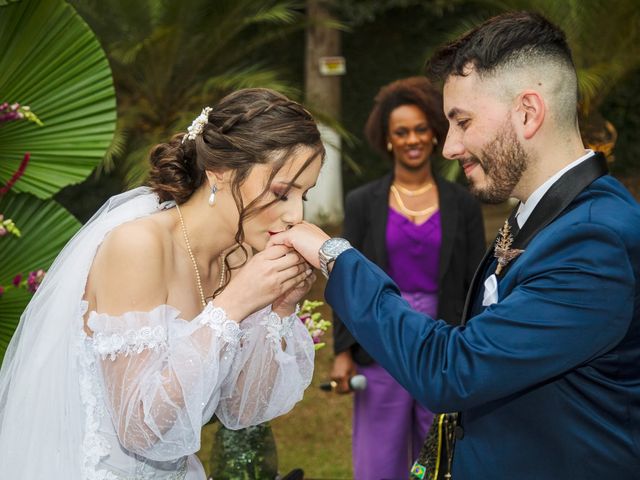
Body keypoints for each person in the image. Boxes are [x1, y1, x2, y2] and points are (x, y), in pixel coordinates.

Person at [270, 11, 640, 480]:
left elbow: (453, 369)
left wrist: (334, 256)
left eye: (461, 122)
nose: (449, 147)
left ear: (528, 112)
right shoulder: (550, 216)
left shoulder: (594, 241)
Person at [0, 88, 324, 479]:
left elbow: (241, 411)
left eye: (304, 195)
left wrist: (281, 309)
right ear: (219, 172)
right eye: (282, 192)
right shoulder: (138, 246)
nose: (296, 214)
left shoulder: (239, 259)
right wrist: (233, 305)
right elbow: (138, 429)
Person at [330, 77, 484, 479]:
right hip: (380, 342)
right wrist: (343, 352)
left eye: (420, 129)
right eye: (402, 132)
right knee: (378, 458)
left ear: (435, 133)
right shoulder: (362, 203)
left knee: (440, 455)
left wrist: (475, 347)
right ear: (388, 140)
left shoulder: (463, 203)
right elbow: (347, 279)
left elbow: (474, 281)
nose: (412, 139)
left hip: (443, 345)